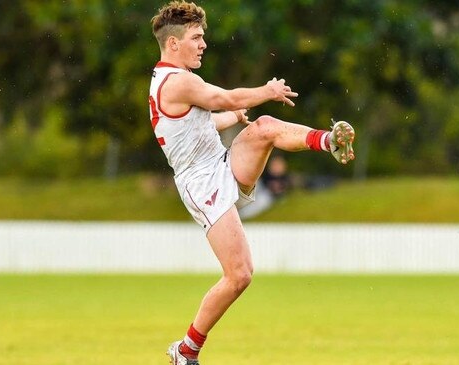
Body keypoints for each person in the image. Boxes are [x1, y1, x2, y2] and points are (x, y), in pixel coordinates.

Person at [149, 2, 355, 364]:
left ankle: (329, 141)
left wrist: (233, 117)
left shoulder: (173, 81)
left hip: (219, 162)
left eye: (202, 37)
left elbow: (202, 124)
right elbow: (222, 97)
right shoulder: (177, 81)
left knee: (265, 128)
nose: (203, 44)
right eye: (196, 37)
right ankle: (186, 350)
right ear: (173, 44)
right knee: (239, 275)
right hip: (201, 184)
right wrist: (267, 89)